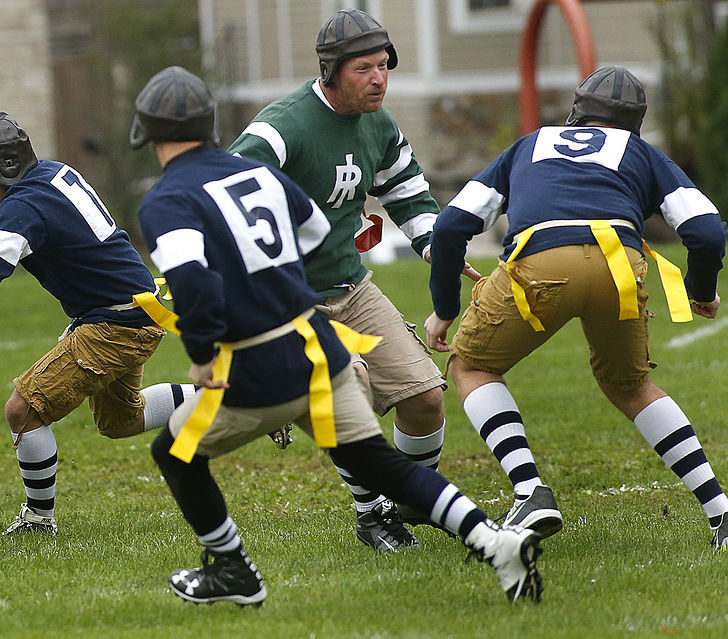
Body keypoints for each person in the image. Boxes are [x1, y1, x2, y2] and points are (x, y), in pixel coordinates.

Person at [132, 65, 544, 607]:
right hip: (318, 346)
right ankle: (494, 543)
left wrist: (204, 352)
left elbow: (191, 281)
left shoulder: (165, 200)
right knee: (380, 464)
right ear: (209, 124)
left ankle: (233, 569)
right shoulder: (256, 175)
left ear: (149, 135)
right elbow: (312, 232)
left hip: (260, 364)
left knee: (176, 454)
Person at [425, 65, 728, 549]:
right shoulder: (641, 153)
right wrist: (702, 289)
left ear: (577, 110)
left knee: (473, 366)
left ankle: (529, 490)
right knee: (630, 385)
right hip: (621, 266)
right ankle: (720, 511)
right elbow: (708, 229)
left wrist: (444, 306)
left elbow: (450, 227)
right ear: (634, 123)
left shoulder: (529, 145)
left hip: (542, 259)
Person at [227, 9, 479, 551]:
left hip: (352, 287)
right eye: (365, 68)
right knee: (352, 390)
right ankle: (371, 516)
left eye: (385, 66)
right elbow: (222, 194)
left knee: (426, 398)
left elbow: (407, 192)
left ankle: (405, 499)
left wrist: (439, 247)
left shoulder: (380, 124)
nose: (379, 78)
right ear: (332, 72)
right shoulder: (282, 127)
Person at [0, 111, 196, 537]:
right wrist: (8, 247)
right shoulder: (54, 173)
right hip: (135, 310)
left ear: (6, 165)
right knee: (121, 422)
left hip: (112, 322)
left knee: (23, 409)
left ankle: (39, 520)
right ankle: (234, 394)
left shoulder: (22, 205)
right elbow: (66, 239)